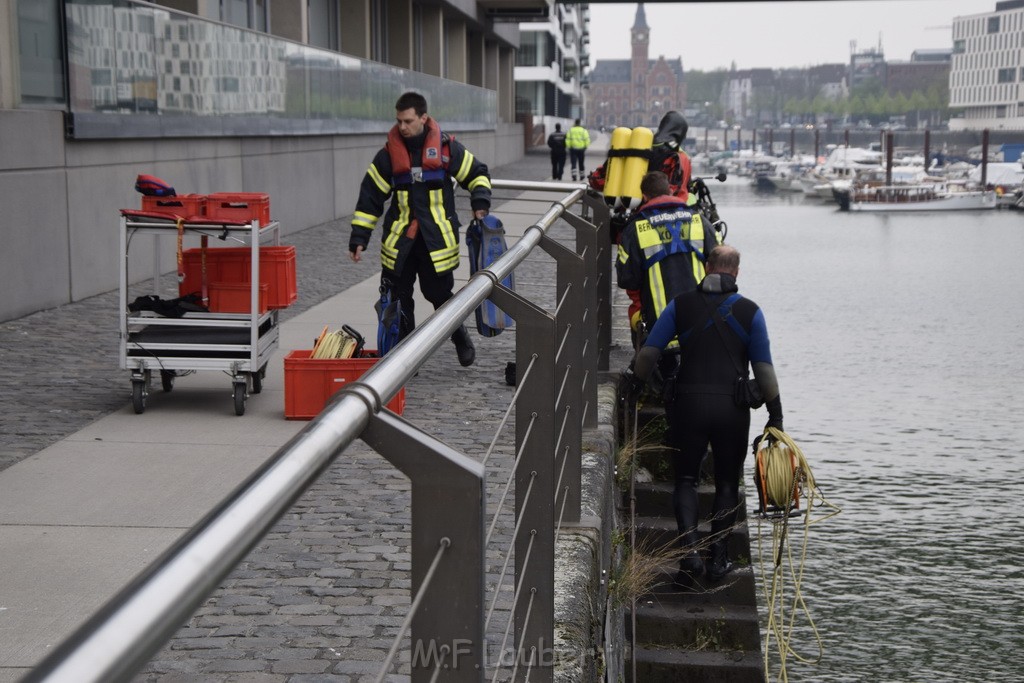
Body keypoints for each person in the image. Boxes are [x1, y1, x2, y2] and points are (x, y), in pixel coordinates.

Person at [626, 245, 784, 584]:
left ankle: (690, 557)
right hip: (732, 410)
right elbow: (765, 373)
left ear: (707, 267)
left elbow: (649, 353)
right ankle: (719, 560)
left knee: (685, 479)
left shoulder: (680, 305)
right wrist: (776, 416)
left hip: (688, 406)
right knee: (727, 482)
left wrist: (635, 386)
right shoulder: (750, 312)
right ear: (736, 272)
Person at [349, 91, 491, 366]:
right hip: (400, 243)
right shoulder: (388, 155)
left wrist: (480, 201)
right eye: (399, 121)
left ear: (423, 118)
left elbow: (478, 173)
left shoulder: (448, 149)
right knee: (400, 301)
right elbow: (370, 198)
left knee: (439, 295)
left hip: (435, 242)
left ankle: (460, 337)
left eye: (408, 121)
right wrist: (359, 237)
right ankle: (405, 361)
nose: (402, 127)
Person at [616, 171, 723, 347]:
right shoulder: (699, 221)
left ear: (644, 196)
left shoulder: (635, 229)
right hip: (700, 320)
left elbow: (627, 279)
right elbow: (722, 263)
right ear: (671, 191)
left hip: (658, 329)